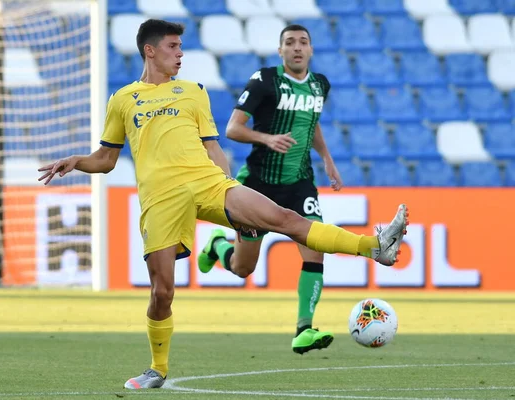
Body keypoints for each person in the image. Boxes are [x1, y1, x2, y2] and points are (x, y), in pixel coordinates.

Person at [38, 19, 408, 390]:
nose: (180, 53)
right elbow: (106, 159)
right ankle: (157, 368)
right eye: (172, 47)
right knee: (162, 292)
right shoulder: (122, 99)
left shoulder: (193, 92)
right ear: (150, 51)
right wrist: (77, 160)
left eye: (181, 47)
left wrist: (231, 194)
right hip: (161, 198)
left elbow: (213, 147)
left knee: (284, 218)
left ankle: (374, 246)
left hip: (208, 182)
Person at [198, 24, 343, 355]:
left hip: (300, 183)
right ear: (280, 51)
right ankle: (218, 246)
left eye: (303, 42)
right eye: (289, 43)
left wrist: (328, 159)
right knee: (242, 268)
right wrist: (266, 138)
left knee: (315, 246)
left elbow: (312, 121)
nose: (296, 47)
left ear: (311, 50)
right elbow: (233, 128)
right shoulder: (264, 80)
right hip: (258, 185)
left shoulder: (320, 85)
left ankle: (304, 329)